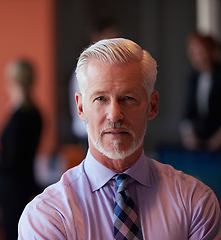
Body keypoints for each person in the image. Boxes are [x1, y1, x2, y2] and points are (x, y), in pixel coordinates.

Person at [18, 38, 221, 239]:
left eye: (128, 98)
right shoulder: (47, 216)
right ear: (80, 108)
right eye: (100, 98)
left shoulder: (195, 202)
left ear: (152, 105)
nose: (114, 115)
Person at [0, 59, 42, 240]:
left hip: (12, 189)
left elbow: (12, 162)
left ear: (13, 82)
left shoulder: (19, 116)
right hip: (25, 184)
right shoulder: (36, 114)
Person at [69, 19, 121, 148]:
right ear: (96, 37)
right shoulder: (88, 70)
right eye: (110, 37)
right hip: (92, 135)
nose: (115, 43)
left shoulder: (109, 67)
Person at [179, 32, 221, 151]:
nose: (197, 57)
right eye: (193, 52)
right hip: (200, 144)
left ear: (211, 51)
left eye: (200, 52)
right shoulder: (193, 77)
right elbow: (188, 111)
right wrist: (188, 134)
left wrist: (217, 140)